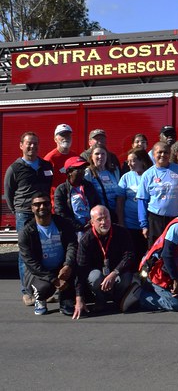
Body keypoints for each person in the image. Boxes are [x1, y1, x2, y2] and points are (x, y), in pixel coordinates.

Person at [4, 132, 54, 304]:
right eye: (28, 143)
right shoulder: (15, 168)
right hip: (25, 214)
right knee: (26, 253)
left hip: (43, 214)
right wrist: (19, 210)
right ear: (21, 145)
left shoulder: (46, 166)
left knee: (44, 251)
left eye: (35, 143)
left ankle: (43, 290)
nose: (32, 146)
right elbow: (9, 193)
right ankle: (27, 292)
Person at [73, 205, 141, 318]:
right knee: (94, 278)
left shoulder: (122, 232)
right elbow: (80, 269)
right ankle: (101, 299)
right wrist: (79, 298)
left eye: (106, 218)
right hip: (98, 273)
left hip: (116, 272)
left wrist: (114, 273)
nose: (104, 222)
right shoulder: (86, 240)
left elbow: (129, 256)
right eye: (99, 219)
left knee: (126, 277)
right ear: (92, 222)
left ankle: (119, 300)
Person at [20, 194, 78, 316]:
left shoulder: (63, 224)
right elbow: (31, 263)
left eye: (45, 203)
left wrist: (67, 265)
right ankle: (40, 299)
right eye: (37, 204)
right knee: (44, 288)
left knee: (78, 272)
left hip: (61, 267)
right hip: (39, 273)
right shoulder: (26, 232)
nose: (42, 207)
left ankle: (66, 300)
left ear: (50, 206)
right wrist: (54, 280)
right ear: (32, 208)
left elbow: (72, 245)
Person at [137, 141, 178, 247]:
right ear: (153, 154)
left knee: (174, 249)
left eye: (166, 152)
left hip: (175, 219)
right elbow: (142, 201)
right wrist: (144, 225)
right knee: (156, 250)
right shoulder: (147, 175)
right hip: (155, 219)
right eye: (159, 152)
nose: (163, 155)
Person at [117, 147, 151, 261]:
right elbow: (120, 202)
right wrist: (121, 223)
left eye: (133, 161)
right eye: (128, 161)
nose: (130, 164)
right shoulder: (126, 177)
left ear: (142, 160)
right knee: (133, 256)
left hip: (149, 225)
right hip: (130, 224)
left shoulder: (151, 174)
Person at [53, 157, 102, 232]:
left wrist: (93, 221)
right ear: (69, 172)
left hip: (92, 227)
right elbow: (61, 213)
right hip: (73, 231)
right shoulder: (61, 190)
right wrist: (79, 227)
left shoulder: (89, 186)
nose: (82, 172)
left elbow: (97, 204)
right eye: (79, 169)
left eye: (83, 169)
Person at [84, 145, 123, 224]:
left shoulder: (114, 171)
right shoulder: (88, 173)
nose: (100, 156)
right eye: (97, 154)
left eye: (103, 154)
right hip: (100, 216)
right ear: (91, 157)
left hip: (115, 214)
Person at [43, 123, 75, 198]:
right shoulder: (49, 159)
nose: (65, 138)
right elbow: (45, 184)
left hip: (74, 200)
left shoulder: (75, 156)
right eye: (62, 135)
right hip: (57, 201)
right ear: (55, 139)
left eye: (68, 135)